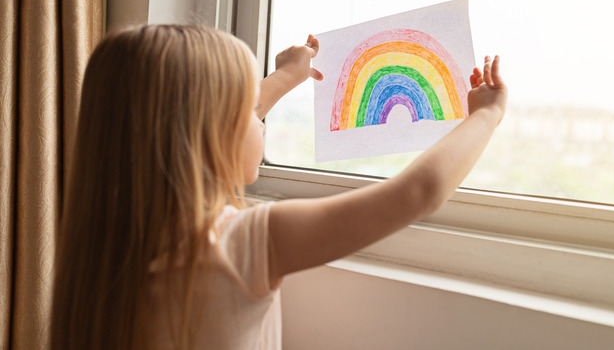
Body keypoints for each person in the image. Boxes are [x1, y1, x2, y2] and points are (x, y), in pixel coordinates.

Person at [50, 24, 507, 349]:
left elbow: (198, 122)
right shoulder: (240, 246)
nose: (261, 120)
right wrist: (486, 115)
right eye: (253, 111)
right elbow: (417, 193)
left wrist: (285, 78)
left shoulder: (105, 252)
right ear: (209, 136)